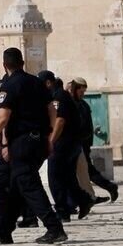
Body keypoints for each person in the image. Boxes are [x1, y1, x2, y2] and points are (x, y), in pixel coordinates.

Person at [0, 48, 67, 245]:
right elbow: (52, 111)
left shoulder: (9, 85)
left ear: (5, 65)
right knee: (16, 186)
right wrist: (49, 137)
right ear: (22, 62)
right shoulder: (37, 82)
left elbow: (3, 117)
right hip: (39, 140)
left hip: (22, 142)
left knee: (29, 185)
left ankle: (54, 228)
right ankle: (5, 230)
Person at [42, 72, 91, 222]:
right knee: (68, 178)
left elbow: (60, 121)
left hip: (63, 144)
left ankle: (63, 210)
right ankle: (83, 200)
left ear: (48, 83)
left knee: (55, 178)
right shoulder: (62, 95)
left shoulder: (58, 97)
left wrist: (51, 140)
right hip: (72, 144)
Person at [69, 78, 118, 202]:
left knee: (85, 171)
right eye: (81, 91)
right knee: (84, 171)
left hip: (80, 144)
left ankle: (89, 197)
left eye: (83, 91)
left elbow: (85, 126)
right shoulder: (73, 103)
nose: (82, 94)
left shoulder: (81, 105)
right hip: (78, 144)